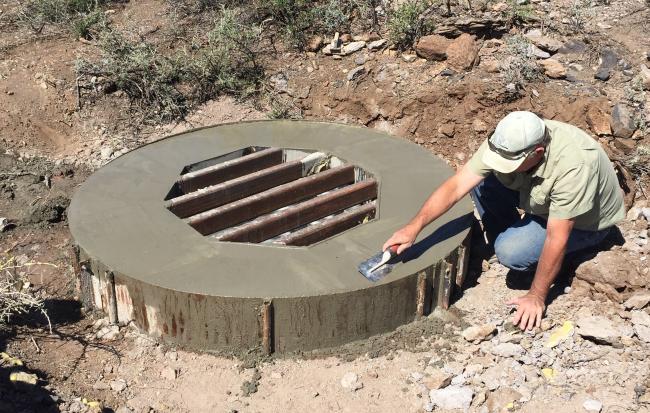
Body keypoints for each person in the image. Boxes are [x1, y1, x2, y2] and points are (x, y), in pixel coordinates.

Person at [383, 111, 625, 331]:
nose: (502, 166)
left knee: (510, 252)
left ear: (537, 153)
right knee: (482, 183)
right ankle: (517, 233)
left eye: (510, 164)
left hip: (586, 223)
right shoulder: (508, 140)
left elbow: (557, 236)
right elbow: (457, 186)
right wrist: (413, 227)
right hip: (540, 201)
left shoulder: (573, 167)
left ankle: (561, 257)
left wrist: (536, 296)